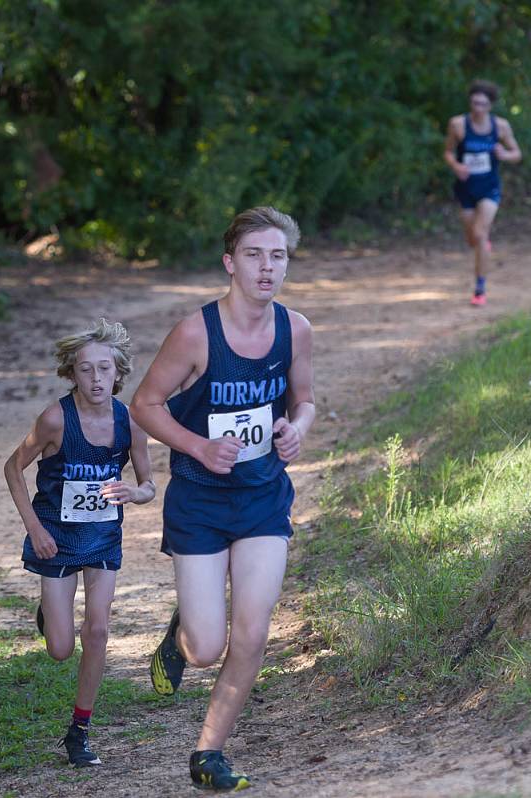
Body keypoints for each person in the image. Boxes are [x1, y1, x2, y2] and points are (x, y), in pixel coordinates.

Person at [130, 206, 315, 791]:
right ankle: (183, 629)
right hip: (201, 501)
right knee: (207, 646)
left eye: (278, 256)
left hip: (261, 498)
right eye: (255, 255)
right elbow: (145, 405)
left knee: (254, 632)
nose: (267, 267)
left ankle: (209, 751)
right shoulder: (195, 332)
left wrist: (297, 429)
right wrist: (199, 447)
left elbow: (304, 400)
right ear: (230, 263)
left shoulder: (296, 329)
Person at [3, 319, 156, 767]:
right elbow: (13, 469)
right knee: (60, 648)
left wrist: (134, 492)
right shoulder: (55, 419)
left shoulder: (129, 422)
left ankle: (80, 730)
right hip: (55, 538)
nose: (95, 379)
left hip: (104, 537)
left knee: (99, 631)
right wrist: (35, 529)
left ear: (118, 372)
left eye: (104, 369)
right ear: (73, 373)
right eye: (86, 370)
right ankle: (52, 618)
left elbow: (149, 484)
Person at [443, 80, 522, 307]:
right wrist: (456, 166)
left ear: (490, 105)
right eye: (474, 103)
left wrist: (504, 154)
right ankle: (482, 246)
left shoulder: (501, 127)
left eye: (483, 104)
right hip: (466, 189)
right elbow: (448, 152)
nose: (477, 108)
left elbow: (517, 153)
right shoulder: (458, 125)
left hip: (489, 187)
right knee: (473, 239)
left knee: (480, 232)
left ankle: (480, 288)